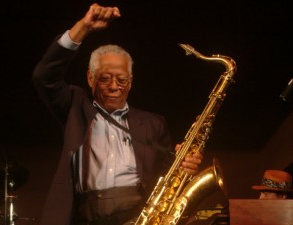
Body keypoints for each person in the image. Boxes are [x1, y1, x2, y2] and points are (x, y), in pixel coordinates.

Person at [32, 3, 202, 225]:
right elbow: (44, 77)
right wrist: (82, 28)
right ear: (90, 78)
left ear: (130, 83)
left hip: (139, 217)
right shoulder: (75, 107)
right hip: (86, 217)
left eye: (122, 79)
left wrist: (184, 165)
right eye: (105, 78)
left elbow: (166, 177)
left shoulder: (153, 123)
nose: (114, 86)